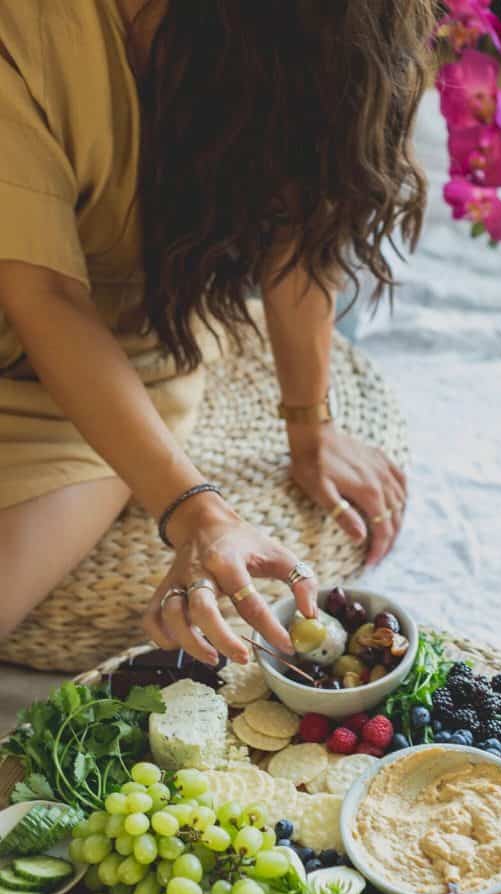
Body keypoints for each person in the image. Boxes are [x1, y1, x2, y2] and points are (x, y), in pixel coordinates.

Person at [0, 0, 435, 666]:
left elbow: (304, 211)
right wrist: (200, 513)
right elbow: (43, 293)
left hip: (114, 362)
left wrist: (308, 425)